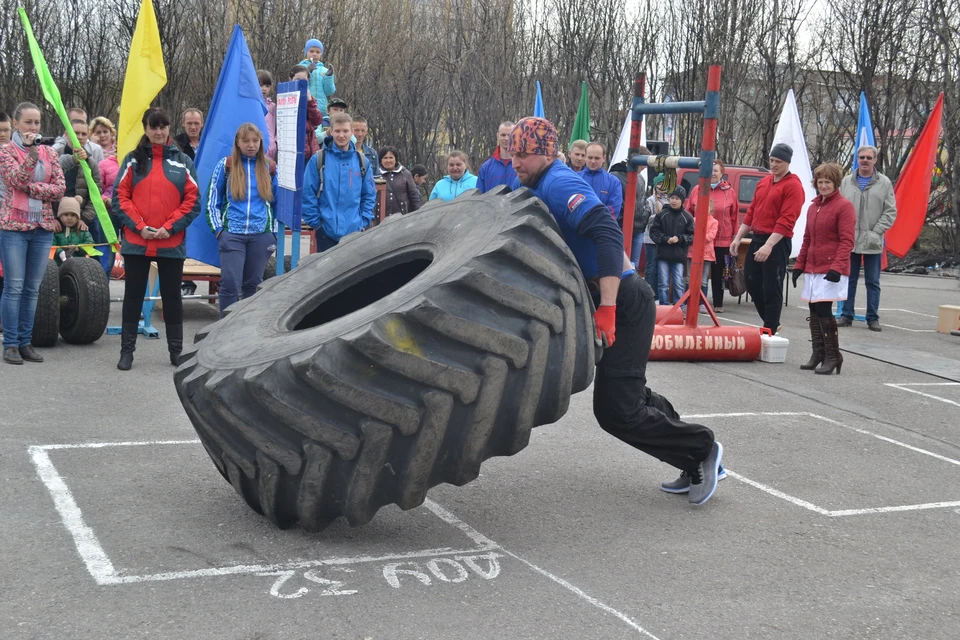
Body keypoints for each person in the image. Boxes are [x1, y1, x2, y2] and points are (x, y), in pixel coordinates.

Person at [507, 117, 723, 505]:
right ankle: (695, 459)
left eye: (521, 154)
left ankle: (703, 448)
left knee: (616, 411)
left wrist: (607, 308)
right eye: (512, 153)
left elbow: (606, 231)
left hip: (623, 300)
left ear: (544, 153)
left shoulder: (558, 182)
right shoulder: (539, 182)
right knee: (630, 394)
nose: (515, 162)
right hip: (612, 298)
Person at [112, 108, 200, 371]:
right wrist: (140, 227)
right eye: (153, 127)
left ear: (170, 128)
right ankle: (126, 352)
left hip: (170, 242)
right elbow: (120, 198)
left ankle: (176, 352)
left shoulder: (183, 161)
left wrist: (169, 227)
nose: (158, 132)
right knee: (133, 296)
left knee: (172, 296)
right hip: (137, 242)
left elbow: (192, 201)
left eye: (163, 127)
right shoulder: (132, 160)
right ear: (146, 129)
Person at [0, 102, 66, 365]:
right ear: (16, 124)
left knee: (32, 289)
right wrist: (30, 155)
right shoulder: (5, 152)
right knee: (14, 287)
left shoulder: (50, 153)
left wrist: (32, 188)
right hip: (14, 227)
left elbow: (59, 189)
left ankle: (26, 342)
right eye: (28, 122)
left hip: (42, 226)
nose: (33, 127)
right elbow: (15, 180)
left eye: (37, 123)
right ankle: (11, 343)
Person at [729, 143, 804, 335]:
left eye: (778, 161)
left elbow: (787, 220)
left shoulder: (793, 186)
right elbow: (752, 212)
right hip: (758, 237)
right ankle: (772, 321)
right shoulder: (764, 182)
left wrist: (770, 245)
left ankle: (770, 327)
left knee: (772, 285)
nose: (774, 164)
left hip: (777, 241)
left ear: (787, 162)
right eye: (772, 160)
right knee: (751, 281)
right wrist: (738, 238)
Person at [206, 123, 278, 317]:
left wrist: (274, 234)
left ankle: (244, 333)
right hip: (232, 235)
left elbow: (279, 204)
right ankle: (224, 330)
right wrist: (219, 231)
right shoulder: (226, 165)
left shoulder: (269, 167)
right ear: (238, 143)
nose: (251, 145)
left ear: (261, 142)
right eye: (246, 141)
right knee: (230, 284)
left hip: (261, 236)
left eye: (255, 141)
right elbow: (212, 200)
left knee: (253, 285)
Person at [792, 163, 856, 375]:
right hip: (813, 266)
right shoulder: (813, 207)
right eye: (820, 182)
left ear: (836, 183)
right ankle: (818, 352)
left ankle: (833, 355)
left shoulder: (844, 206)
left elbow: (847, 241)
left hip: (830, 268)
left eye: (828, 181)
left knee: (823, 310)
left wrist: (837, 267)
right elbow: (808, 239)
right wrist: (799, 265)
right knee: (813, 309)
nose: (824, 185)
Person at [838, 145, 897, 331]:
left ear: (875, 160)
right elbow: (838, 208)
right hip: (850, 240)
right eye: (861, 157)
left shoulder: (884, 183)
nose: (864, 160)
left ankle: (872, 318)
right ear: (857, 159)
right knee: (849, 279)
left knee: (873, 281)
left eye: (868, 158)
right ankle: (847, 315)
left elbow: (890, 211)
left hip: (873, 241)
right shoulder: (846, 182)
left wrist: (875, 232)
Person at [302, 112, 375, 252]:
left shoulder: (362, 162)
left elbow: (369, 195)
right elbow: (308, 193)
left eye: (345, 131)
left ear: (352, 132)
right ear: (331, 132)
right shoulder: (318, 160)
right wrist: (317, 225)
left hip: (355, 232)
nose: (341, 135)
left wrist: (364, 221)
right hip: (326, 232)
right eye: (337, 131)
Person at [688, 159, 737, 312]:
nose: (712, 173)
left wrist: (735, 239)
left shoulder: (730, 191)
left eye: (716, 170)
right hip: (700, 241)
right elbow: (689, 212)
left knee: (718, 273)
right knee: (696, 273)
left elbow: (734, 216)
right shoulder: (697, 189)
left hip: (722, 239)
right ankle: (695, 301)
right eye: (710, 170)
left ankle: (717, 303)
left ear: (722, 173)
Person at [649, 186, 694, 306]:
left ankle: (679, 306)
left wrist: (679, 239)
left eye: (677, 198)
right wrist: (665, 239)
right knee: (663, 283)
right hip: (663, 254)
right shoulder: (661, 215)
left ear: (682, 200)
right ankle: (664, 305)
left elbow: (692, 236)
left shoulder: (687, 217)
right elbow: (653, 232)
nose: (674, 201)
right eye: (672, 198)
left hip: (679, 256)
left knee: (678, 282)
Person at [608, 146, 648, 268]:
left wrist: (646, 213)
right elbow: (613, 202)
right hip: (622, 226)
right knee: (619, 262)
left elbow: (642, 199)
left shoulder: (641, 178)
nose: (645, 167)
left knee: (633, 264)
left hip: (639, 227)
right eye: (644, 163)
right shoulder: (615, 176)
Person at [688, 199, 719, 313]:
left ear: (711, 208)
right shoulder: (692, 220)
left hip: (706, 255)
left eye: (706, 206)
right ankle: (688, 302)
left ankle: (702, 303)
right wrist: (696, 237)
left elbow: (710, 237)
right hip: (692, 252)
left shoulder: (714, 222)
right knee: (689, 278)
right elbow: (689, 234)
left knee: (704, 280)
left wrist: (697, 236)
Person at [289, 65, 324, 160]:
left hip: (310, 149)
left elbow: (317, 120)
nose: (301, 83)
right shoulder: (286, 98)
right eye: (297, 80)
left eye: (304, 80)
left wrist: (310, 102)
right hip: (293, 148)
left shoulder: (311, 99)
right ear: (290, 80)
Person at [580, 142, 623, 219]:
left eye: (597, 158)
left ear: (604, 158)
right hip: (576, 227)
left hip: (602, 228)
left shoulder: (614, 182)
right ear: (585, 157)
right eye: (590, 158)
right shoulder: (575, 179)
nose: (593, 161)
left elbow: (614, 209)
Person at [642, 174, 668, 292]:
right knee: (651, 266)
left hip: (664, 238)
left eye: (664, 183)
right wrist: (659, 215)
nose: (662, 186)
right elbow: (646, 219)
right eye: (659, 183)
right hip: (650, 238)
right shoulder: (650, 200)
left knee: (660, 267)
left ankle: (658, 293)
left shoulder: (670, 200)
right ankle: (648, 291)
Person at [52, 197, 96, 265]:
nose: (69, 218)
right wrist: (60, 252)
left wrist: (78, 249)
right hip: (57, 265)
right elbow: (51, 244)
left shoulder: (83, 230)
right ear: (60, 216)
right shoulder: (55, 231)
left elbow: (90, 244)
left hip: (79, 266)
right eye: (66, 215)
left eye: (73, 215)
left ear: (78, 217)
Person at [378, 146, 421, 216]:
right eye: (385, 158)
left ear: (395, 159)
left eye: (391, 158)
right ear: (381, 160)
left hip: (402, 219)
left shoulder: (405, 174)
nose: (388, 161)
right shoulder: (375, 174)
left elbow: (414, 197)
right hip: (381, 219)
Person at [476, 121, 517, 193]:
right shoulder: (486, 168)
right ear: (497, 136)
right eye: (503, 135)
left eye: (510, 135)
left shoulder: (522, 166)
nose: (506, 138)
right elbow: (478, 197)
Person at [299, 38, 336, 117]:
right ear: (306, 52)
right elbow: (297, 86)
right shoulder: (300, 67)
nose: (314, 54)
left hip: (321, 108)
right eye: (311, 51)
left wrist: (329, 77)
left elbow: (329, 91)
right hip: (303, 106)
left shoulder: (324, 70)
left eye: (318, 52)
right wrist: (307, 72)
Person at [258, 70, 278, 161]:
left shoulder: (273, 107)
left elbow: (278, 126)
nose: (264, 89)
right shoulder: (251, 105)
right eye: (261, 85)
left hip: (271, 149)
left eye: (267, 86)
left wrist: (275, 141)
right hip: (256, 148)